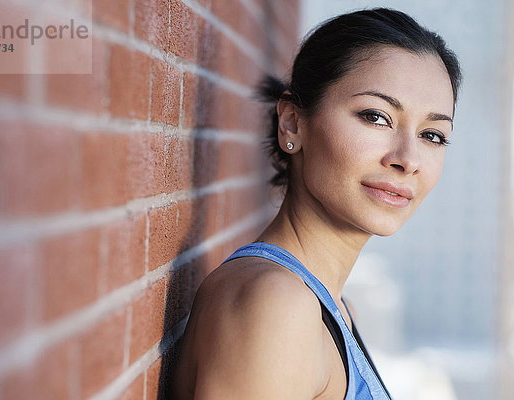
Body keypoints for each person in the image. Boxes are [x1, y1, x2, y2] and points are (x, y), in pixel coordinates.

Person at [172, 7, 462, 399]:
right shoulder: (277, 307)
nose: (407, 159)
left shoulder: (335, 310)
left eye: (433, 135)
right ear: (292, 122)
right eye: (376, 117)